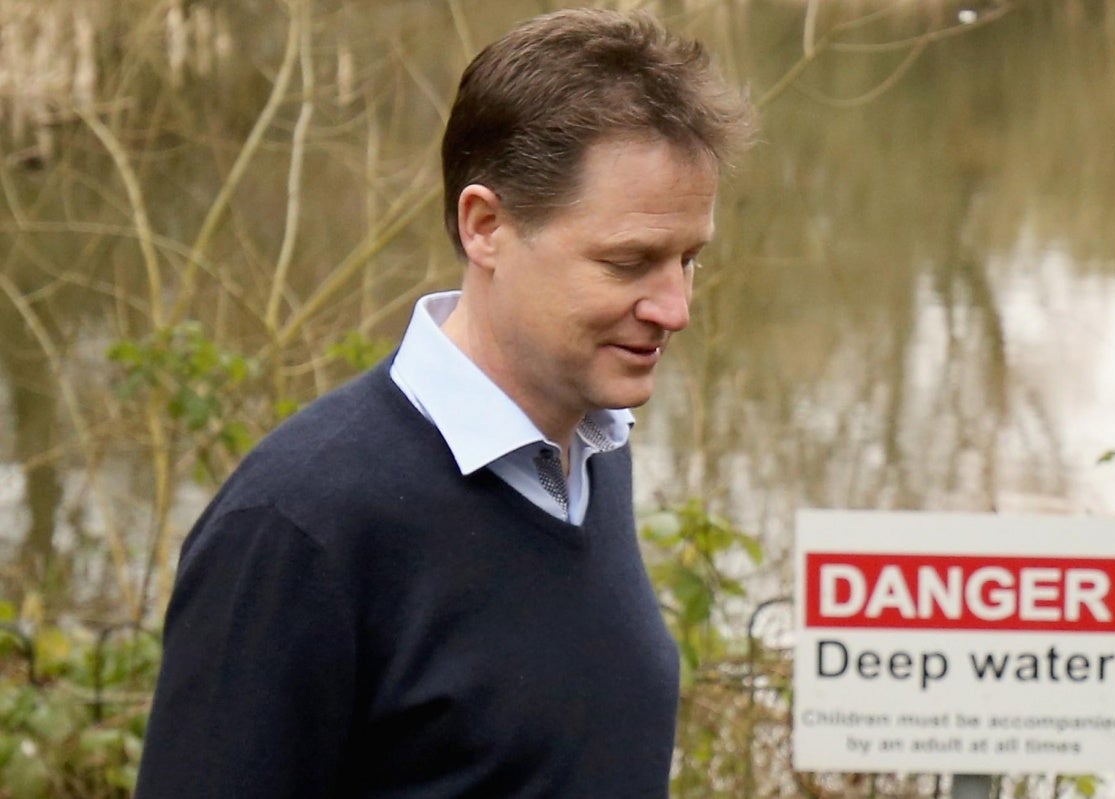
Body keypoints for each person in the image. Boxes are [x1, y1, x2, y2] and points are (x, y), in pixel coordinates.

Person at [135, 8, 754, 798]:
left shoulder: (593, 455)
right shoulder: (297, 527)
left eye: (688, 259)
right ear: (486, 226)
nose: (675, 307)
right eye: (629, 262)